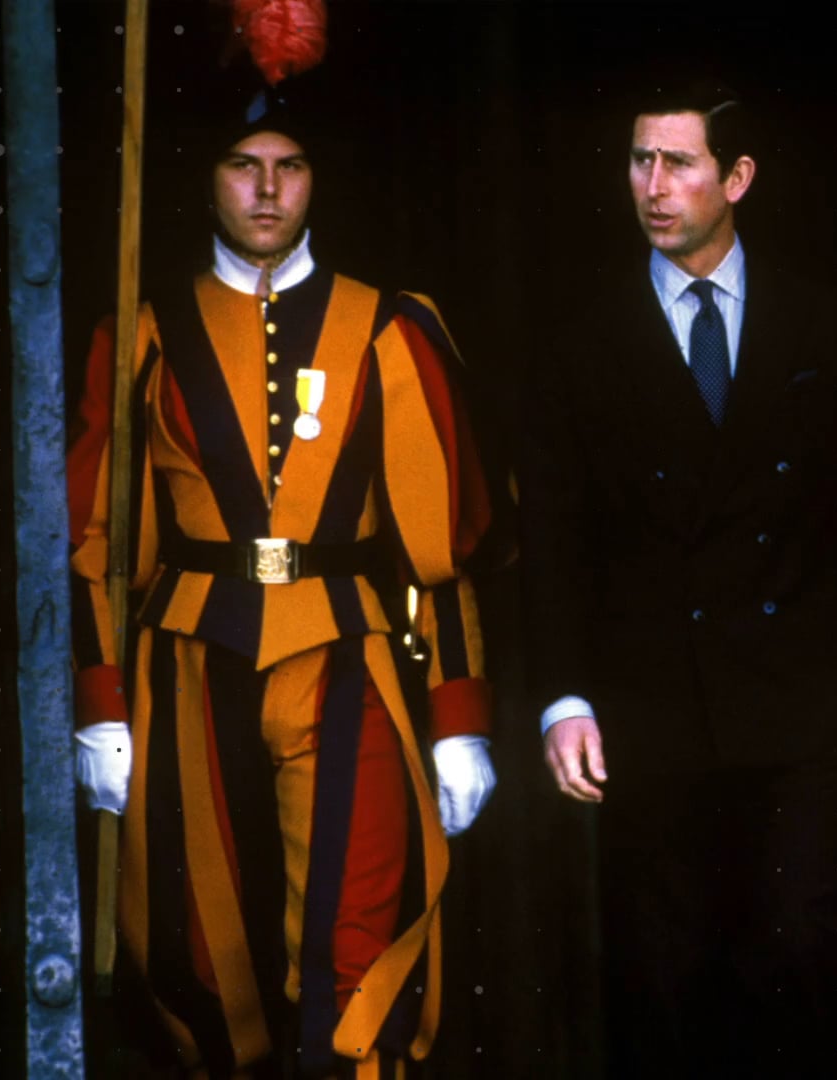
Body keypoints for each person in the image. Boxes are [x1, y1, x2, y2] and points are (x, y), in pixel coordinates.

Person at [66, 80, 499, 1076]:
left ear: (317, 181)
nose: (267, 190)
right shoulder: (145, 331)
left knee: (358, 938)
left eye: (290, 167)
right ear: (208, 181)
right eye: (244, 166)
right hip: (186, 662)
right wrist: (100, 700)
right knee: (197, 950)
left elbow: (440, 546)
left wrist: (460, 714)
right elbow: (97, 542)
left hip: (347, 654)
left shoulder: (388, 327)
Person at [519, 84, 837, 1075]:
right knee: (665, 979)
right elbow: (555, 535)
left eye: (679, 163)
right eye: (639, 161)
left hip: (799, 705)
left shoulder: (823, 322)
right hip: (650, 708)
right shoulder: (581, 337)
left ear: (738, 177)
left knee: (799, 954)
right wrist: (565, 698)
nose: (652, 186)